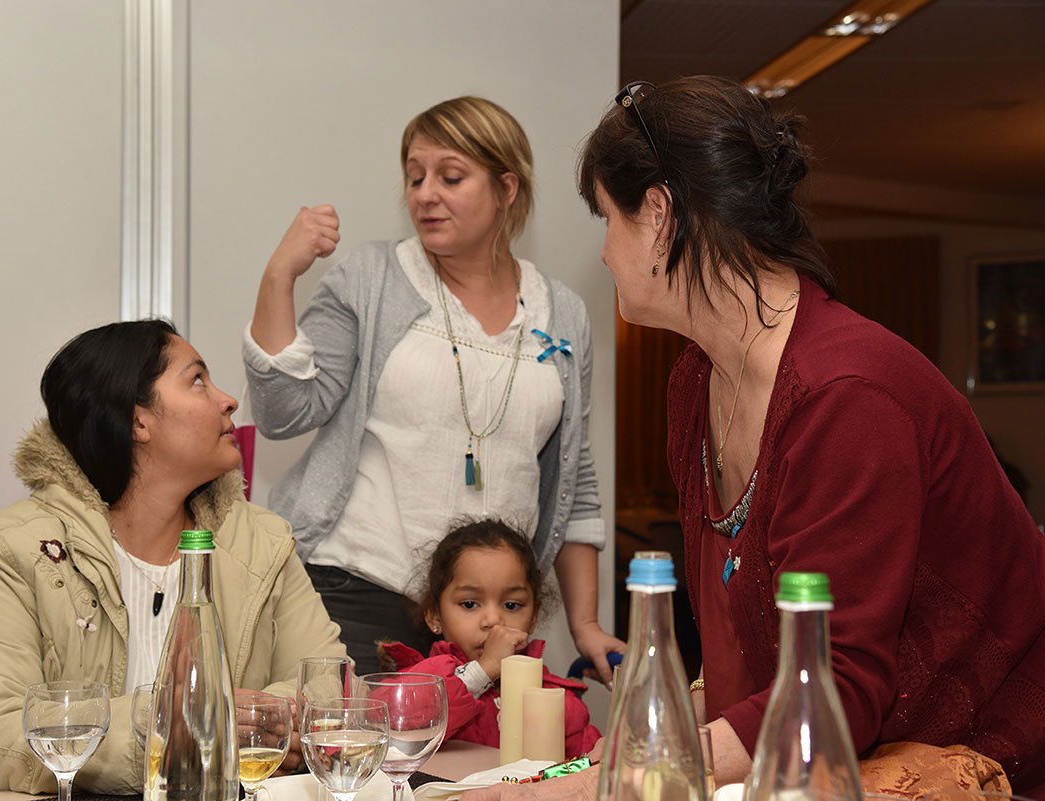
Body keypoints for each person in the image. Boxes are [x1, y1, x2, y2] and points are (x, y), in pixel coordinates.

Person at [468, 75, 1045, 801]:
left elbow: (837, 687)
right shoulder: (695, 380)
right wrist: (625, 754)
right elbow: (747, 656)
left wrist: (588, 788)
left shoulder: (849, 396)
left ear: (659, 215)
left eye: (608, 219)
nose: (607, 252)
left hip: (986, 762)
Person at [244, 96, 622, 678]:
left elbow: (576, 479)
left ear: (506, 188)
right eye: (415, 176)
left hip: (490, 618)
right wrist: (278, 277)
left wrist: (586, 623)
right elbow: (284, 412)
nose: (424, 194)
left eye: (450, 176)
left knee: (485, 745)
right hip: (358, 593)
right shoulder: (370, 279)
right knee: (357, 741)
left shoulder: (563, 312)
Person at [0, 320, 345, 796]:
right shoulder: (9, 549)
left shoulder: (262, 542)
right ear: (137, 422)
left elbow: (324, 681)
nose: (229, 400)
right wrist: (167, 725)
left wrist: (262, 722)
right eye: (197, 380)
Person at [378, 518, 601, 758]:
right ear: (435, 616)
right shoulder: (422, 679)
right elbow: (389, 722)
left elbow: (590, 765)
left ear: (533, 617)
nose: (494, 620)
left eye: (512, 605)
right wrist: (484, 670)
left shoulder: (555, 697)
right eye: (470, 604)